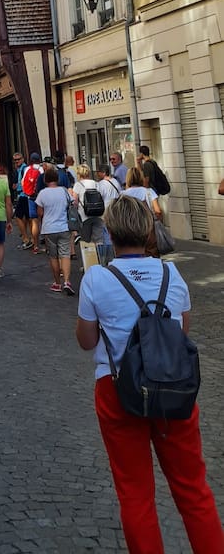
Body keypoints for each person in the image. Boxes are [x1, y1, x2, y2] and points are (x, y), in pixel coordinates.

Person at [76, 196, 224, 554]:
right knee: (193, 490)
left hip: (116, 389)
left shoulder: (96, 277)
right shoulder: (173, 274)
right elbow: (181, 332)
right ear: (148, 231)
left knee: (135, 494)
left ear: (110, 233)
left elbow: (86, 341)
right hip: (173, 387)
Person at [36, 163, 76, 295]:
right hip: (64, 226)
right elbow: (73, 203)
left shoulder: (42, 194)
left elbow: (40, 213)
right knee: (65, 254)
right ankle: (67, 281)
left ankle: (57, 283)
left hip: (49, 228)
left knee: (53, 256)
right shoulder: (64, 191)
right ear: (57, 179)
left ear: (45, 180)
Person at [20, 153, 43, 254]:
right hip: (40, 197)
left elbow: (22, 182)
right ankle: (46, 244)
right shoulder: (41, 169)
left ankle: (36, 245)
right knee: (43, 220)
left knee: (34, 222)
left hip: (30, 197)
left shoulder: (27, 169)